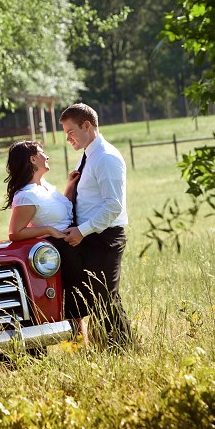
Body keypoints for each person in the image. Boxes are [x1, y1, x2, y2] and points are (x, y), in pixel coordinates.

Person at [58, 102, 132, 347]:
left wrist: (82, 230)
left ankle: (121, 350)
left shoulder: (106, 158)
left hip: (105, 237)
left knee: (105, 298)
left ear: (86, 126)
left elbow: (113, 207)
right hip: (90, 236)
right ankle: (106, 349)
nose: (67, 138)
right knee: (94, 297)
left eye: (70, 132)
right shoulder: (89, 156)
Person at [3, 140, 77, 242]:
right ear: (33, 159)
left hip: (71, 241)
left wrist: (70, 185)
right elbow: (15, 233)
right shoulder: (27, 196)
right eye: (42, 153)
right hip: (58, 248)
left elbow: (61, 210)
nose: (47, 157)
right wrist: (48, 230)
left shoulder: (43, 185)